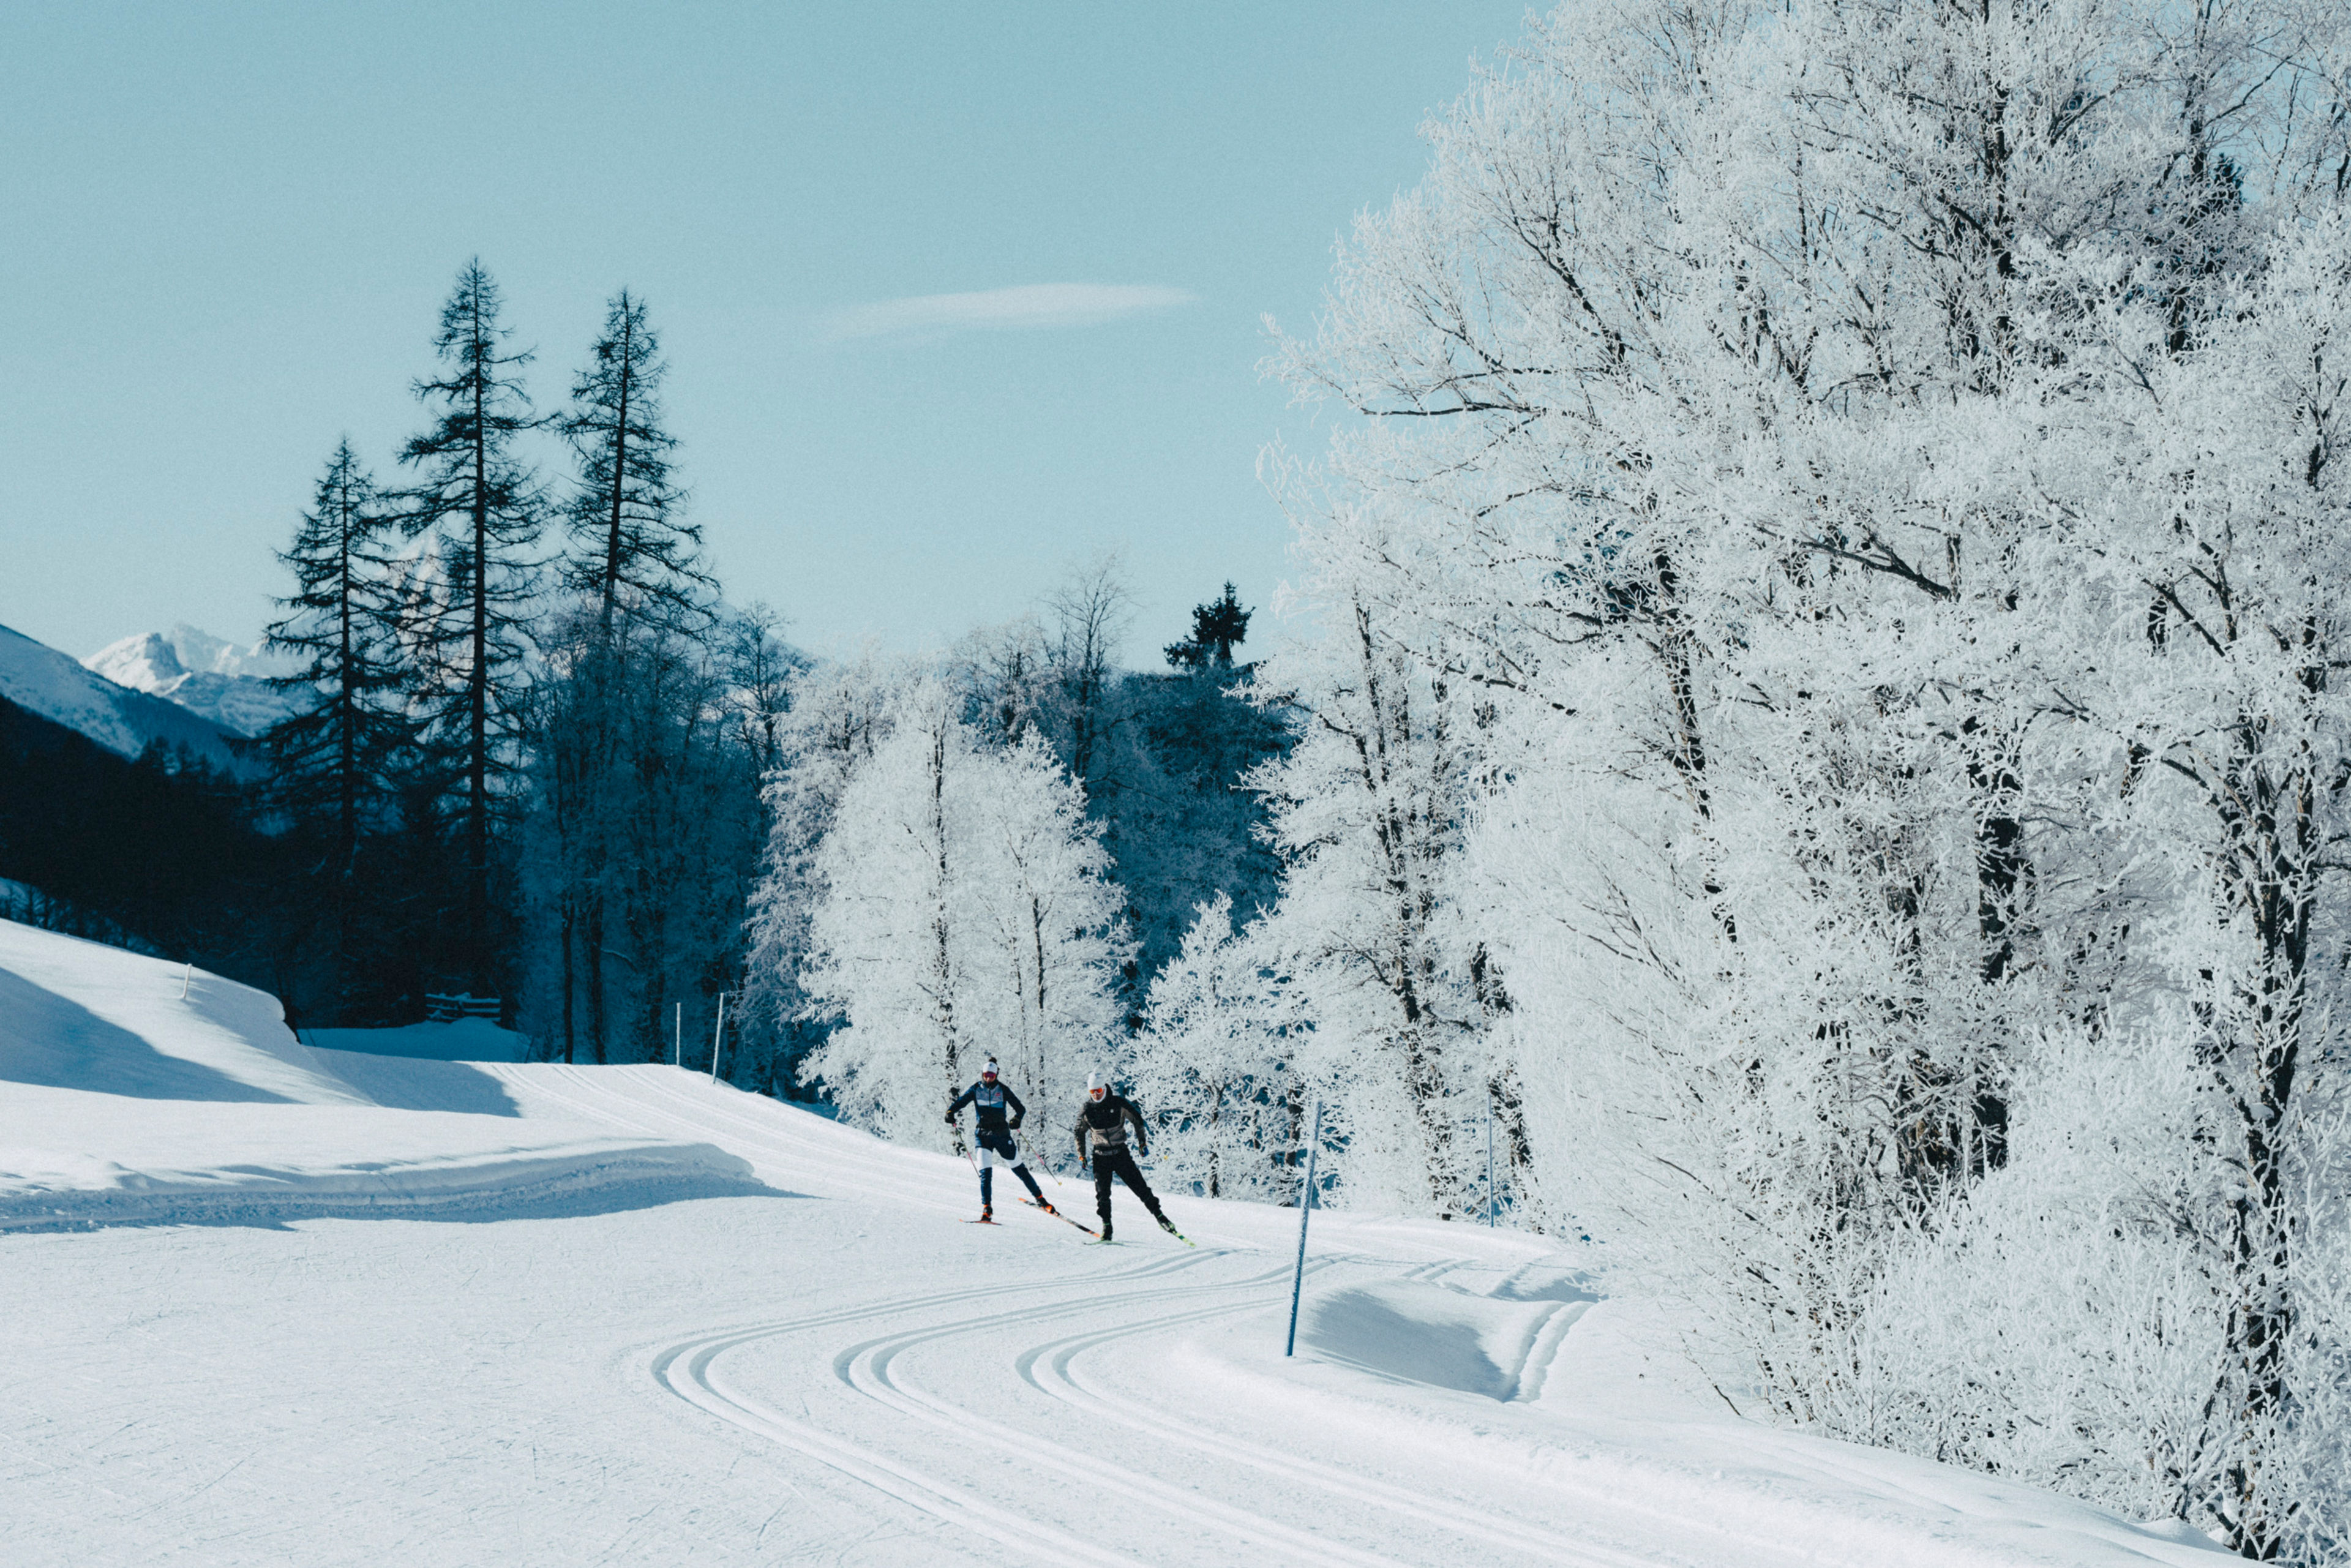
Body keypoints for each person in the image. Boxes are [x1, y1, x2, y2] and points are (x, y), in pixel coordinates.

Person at [945, 1058, 1054, 1223]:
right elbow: (960, 1102)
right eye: (986, 1075)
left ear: (996, 1075)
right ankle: (987, 1209)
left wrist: (1017, 1119)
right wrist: (950, 1112)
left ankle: (1041, 1199)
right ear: (982, 1075)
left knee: (1019, 1169)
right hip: (983, 1136)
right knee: (985, 1174)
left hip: (1002, 1136)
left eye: (991, 1075)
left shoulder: (1003, 1090)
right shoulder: (976, 1089)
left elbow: (1020, 1109)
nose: (988, 1078)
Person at [1073, 1071, 1175, 1242]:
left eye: (1098, 1091)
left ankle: (1161, 1217)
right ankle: (1107, 1227)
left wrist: (1142, 1143)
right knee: (1102, 1195)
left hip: (1121, 1154)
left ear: (1105, 1088)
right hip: (1100, 1155)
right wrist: (1081, 1155)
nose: (1096, 1096)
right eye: (1093, 1093)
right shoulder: (1087, 1109)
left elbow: (1137, 1120)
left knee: (1140, 1187)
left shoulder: (1118, 1104)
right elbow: (1079, 1132)